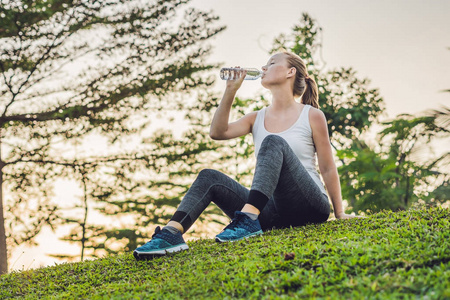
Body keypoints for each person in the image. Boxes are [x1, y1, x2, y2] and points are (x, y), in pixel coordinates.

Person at [133, 51, 358, 260]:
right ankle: (171, 233)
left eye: (271, 63)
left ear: (291, 72)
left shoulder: (312, 115)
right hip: (270, 214)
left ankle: (248, 219)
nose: (264, 67)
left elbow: (327, 167)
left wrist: (339, 213)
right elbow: (217, 132)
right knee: (209, 176)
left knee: (273, 142)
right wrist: (231, 90)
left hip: (308, 205)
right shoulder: (256, 118)